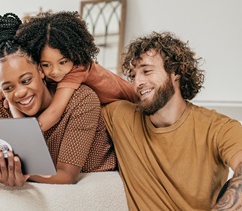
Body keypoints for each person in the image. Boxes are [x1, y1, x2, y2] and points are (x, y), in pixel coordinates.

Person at [0, 13, 118, 186]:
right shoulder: (5, 107)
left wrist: (23, 172)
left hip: (96, 184)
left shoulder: (81, 100)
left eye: (26, 80)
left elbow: (66, 176)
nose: (20, 93)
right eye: (8, 87)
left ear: (40, 70)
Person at [101, 31, 242, 210]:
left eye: (146, 71)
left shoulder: (217, 127)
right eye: (133, 75)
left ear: (177, 71)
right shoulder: (121, 116)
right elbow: (84, 76)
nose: (137, 82)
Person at [0, 11, 137, 132]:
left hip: (135, 105)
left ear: (74, 55)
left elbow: (54, 113)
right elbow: (5, 93)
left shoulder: (77, 70)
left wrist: (24, 134)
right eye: (46, 64)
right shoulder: (60, 72)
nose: (55, 72)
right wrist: (2, 96)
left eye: (63, 62)